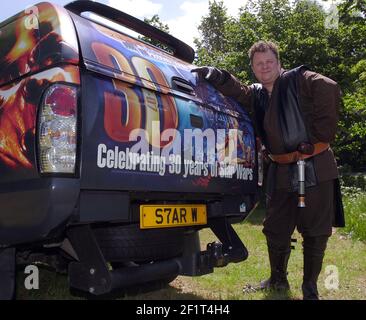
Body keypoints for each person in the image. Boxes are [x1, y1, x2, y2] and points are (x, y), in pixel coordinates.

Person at [192, 41, 345, 300]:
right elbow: (238, 91)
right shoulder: (257, 93)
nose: (264, 67)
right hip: (281, 168)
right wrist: (217, 76)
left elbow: (329, 87)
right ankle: (278, 281)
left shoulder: (300, 79)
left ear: (278, 62)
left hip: (315, 164)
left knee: (315, 231)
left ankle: (310, 288)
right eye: (258, 64)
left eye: (269, 62)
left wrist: (320, 135)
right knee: (275, 228)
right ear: (253, 68)